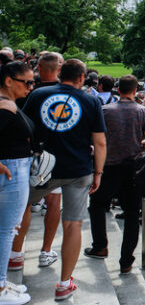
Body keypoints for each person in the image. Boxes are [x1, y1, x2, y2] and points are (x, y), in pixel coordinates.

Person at [18, 59, 106, 301]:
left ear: (60, 73)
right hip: (78, 169)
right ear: (81, 77)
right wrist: (98, 172)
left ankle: (15, 255)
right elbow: (99, 142)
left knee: (22, 206)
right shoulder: (90, 100)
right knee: (73, 224)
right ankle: (64, 282)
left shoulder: (38, 94)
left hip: (42, 167)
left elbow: (22, 127)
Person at [85, 74, 145, 273]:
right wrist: (139, 144)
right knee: (132, 215)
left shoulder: (104, 110)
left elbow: (96, 138)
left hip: (108, 166)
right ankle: (126, 260)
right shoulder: (143, 111)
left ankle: (100, 246)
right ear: (135, 90)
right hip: (133, 167)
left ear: (117, 89)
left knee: (97, 205)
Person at [10, 51, 63, 271]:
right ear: (58, 69)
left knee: (25, 205)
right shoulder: (67, 92)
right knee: (53, 204)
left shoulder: (27, 91)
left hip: (30, 155)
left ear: (38, 68)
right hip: (57, 157)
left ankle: (16, 252)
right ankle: (45, 251)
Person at [0, 62, 35, 304]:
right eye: (27, 82)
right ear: (9, 80)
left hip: (14, 168)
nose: (31, 87)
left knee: (6, 230)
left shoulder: (7, 104)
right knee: (6, 231)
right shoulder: (4, 105)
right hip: (11, 170)